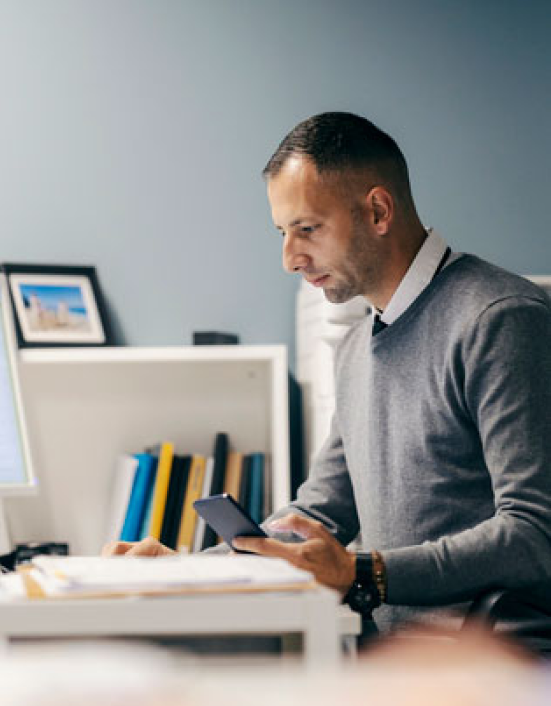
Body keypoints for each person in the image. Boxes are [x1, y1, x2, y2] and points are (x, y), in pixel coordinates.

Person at [104, 112, 551, 636]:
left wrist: (366, 571)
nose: (290, 257)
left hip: (495, 668)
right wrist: (187, 571)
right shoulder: (357, 346)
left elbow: (535, 534)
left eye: (307, 229)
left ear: (378, 210)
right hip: (395, 666)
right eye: (282, 232)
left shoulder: (499, 318)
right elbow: (317, 515)